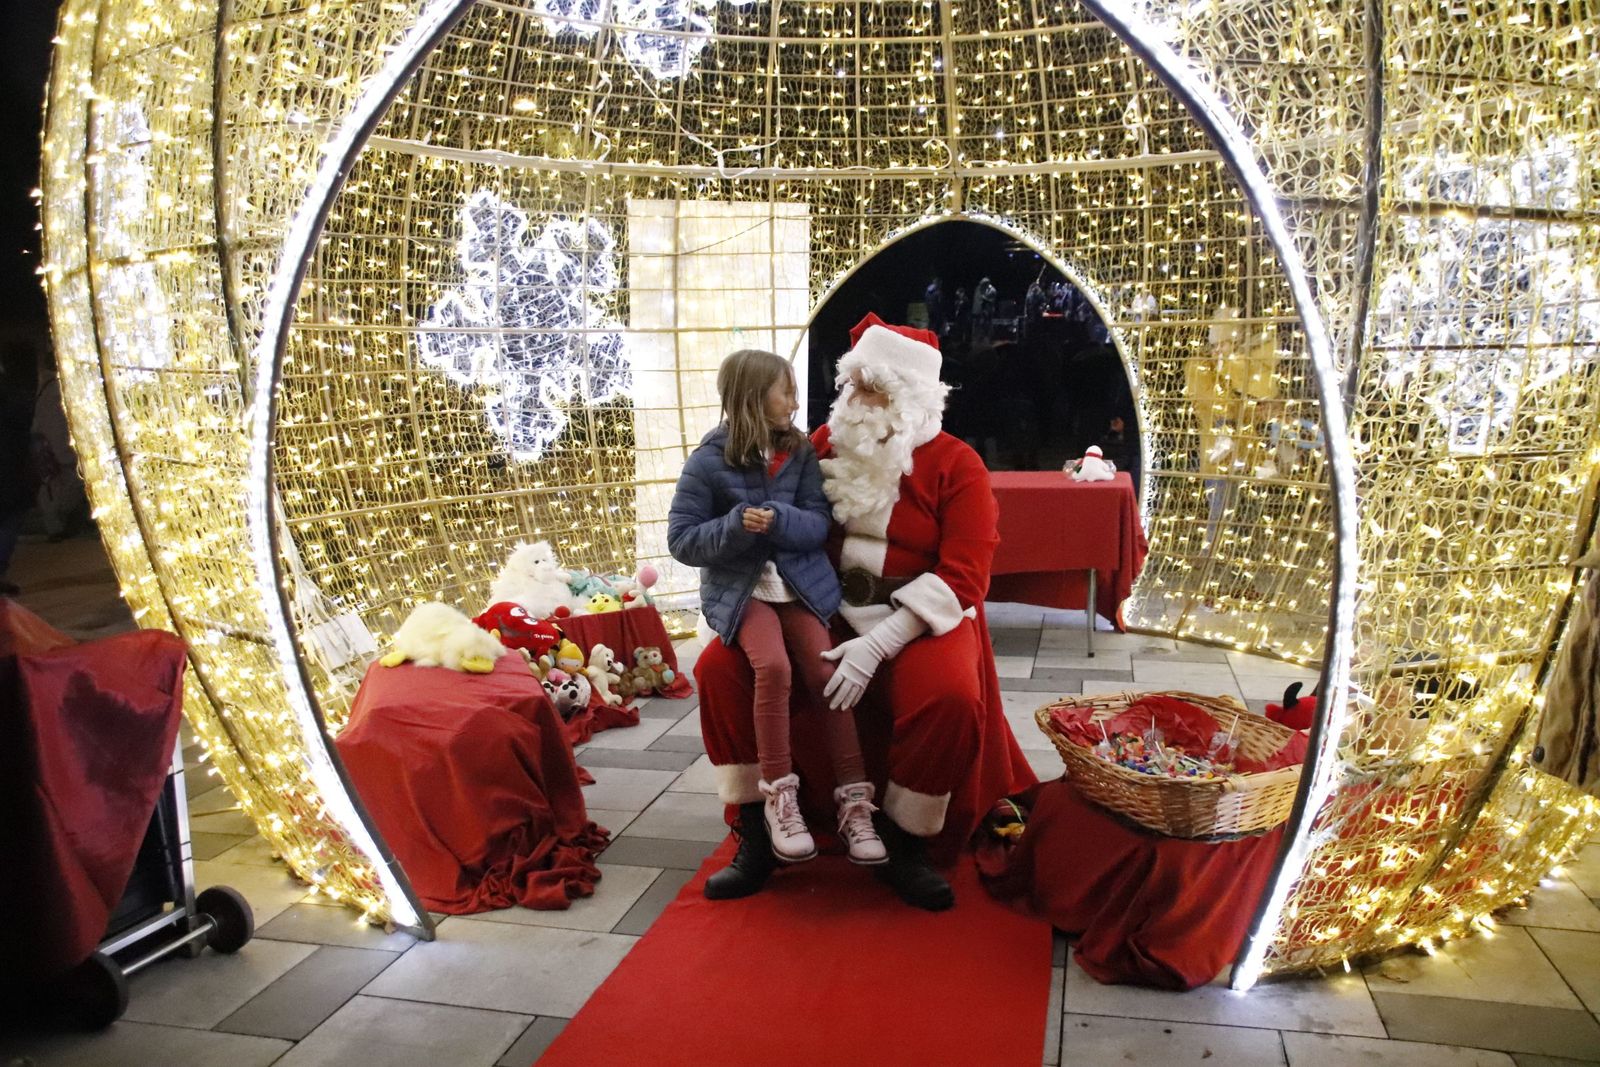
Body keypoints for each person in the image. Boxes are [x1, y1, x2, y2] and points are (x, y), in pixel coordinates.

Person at [694, 316, 1036, 910]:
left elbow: (965, 577)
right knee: (718, 669)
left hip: (917, 616)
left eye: (872, 388)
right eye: (851, 384)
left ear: (909, 399)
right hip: (817, 602)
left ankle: (907, 840)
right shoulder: (823, 443)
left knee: (949, 696)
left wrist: (880, 643)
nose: (855, 400)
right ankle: (755, 829)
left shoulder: (958, 465)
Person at [667, 349, 886, 898]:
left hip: (801, 586)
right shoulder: (707, 460)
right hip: (741, 591)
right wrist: (737, 526)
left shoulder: (800, 452)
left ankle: (855, 804)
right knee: (773, 666)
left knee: (825, 672)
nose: (794, 401)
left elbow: (816, 524)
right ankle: (778, 801)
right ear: (751, 395)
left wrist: (782, 519)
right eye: (784, 390)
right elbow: (682, 539)